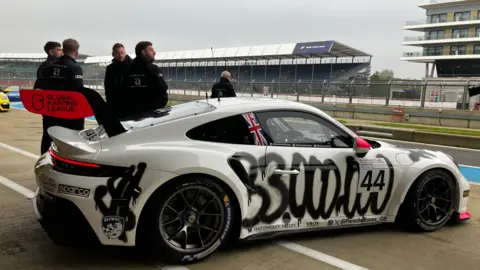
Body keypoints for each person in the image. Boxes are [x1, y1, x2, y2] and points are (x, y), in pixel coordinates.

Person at [38, 38, 85, 154]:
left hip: (50, 111)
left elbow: (39, 88)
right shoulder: (75, 67)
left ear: (63, 51)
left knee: (48, 138)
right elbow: (78, 92)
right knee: (71, 142)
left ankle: (44, 162)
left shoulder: (47, 67)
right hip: (69, 112)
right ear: (77, 53)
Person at [120, 41, 169, 118]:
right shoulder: (153, 69)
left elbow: (123, 92)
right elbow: (163, 88)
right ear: (143, 52)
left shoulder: (126, 70)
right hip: (152, 115)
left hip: (133, 115)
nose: (154, 52)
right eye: (151, 50)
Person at [104, 43, 132, 116]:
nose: (120, 55)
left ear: (125, 52)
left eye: (122, 53)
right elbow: (108, 88)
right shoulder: (110, 68)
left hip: (131, 106)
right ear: (113, 54)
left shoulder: (133, 66)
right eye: (117, 53)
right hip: (116, 106)